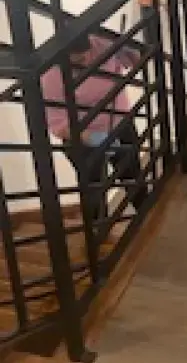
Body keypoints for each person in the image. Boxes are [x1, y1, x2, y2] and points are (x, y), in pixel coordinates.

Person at [41, 33, 149, 225]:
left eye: (84, 57)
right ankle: (98, 233)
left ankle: (148, 217)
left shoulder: (103, 44)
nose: (82, 64)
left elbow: (135, 62)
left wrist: (131, 50)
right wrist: (91, 137)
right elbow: (57, 122)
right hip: (83, 135)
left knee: (132, 174)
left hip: (119, 123)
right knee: (93, 187)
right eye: (74, 61)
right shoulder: (51, 76)